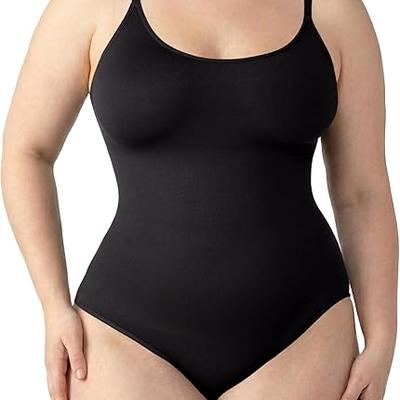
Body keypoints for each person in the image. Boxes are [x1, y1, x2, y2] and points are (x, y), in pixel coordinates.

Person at [1, 0, 397, 399]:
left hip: (303, 331)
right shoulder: (90, 7)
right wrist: (53, 304)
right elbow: (26, 152)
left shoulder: (334, 11)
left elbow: (361, 191)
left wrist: (382, 338)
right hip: (124, 336)